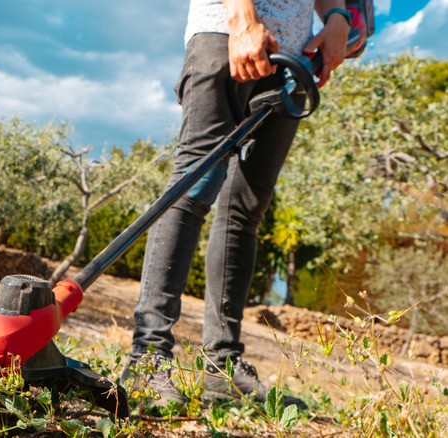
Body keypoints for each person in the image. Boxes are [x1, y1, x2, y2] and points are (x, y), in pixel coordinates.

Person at [122, 0, 352, 411]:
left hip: (295, 57)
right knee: (191, 189)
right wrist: (243, 18)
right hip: (226, 32)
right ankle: (147, 357)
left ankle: (222, 365)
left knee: (247, 209)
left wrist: (337, 18)